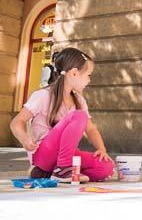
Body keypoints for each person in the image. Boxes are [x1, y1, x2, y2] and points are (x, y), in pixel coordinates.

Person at [10, 48, 114, 182]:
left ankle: (58, 173)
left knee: (106, 167)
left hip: (67, 156)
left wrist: (102, 149)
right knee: (79, 115)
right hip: (44, 155)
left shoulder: (79, 100)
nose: (89, 80)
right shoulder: (44, 95)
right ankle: (62, 169)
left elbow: (91, 129)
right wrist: (25, 139)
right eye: (88, 74)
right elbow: (17, 122)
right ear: (74, 73)